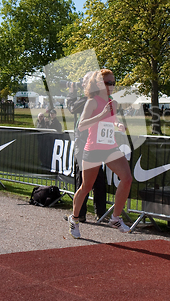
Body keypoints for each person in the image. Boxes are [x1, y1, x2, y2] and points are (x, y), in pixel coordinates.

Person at [67, 69, 132, 238]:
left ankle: (115, 218)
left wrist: (118, 125)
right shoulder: (92, 102)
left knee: (127, 178)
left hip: (110, 147)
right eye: (107, 83)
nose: (111, 86)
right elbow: (82, 125)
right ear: (98, 84)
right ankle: (74, 219)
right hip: (93, 148)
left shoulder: (113, 102)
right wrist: (101, 115)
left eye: (113, 83)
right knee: (86, 187)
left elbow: (112, 120)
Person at [71, 71, 107, 223]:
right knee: (88, 180)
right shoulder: (90, 99)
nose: (83, 83)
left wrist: (72, 93)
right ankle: (85, 213)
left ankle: (86, 214)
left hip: (89, 143)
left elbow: (72, 107)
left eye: (85, 81)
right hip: (87, 142)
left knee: (89, 179)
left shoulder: (91, 99)